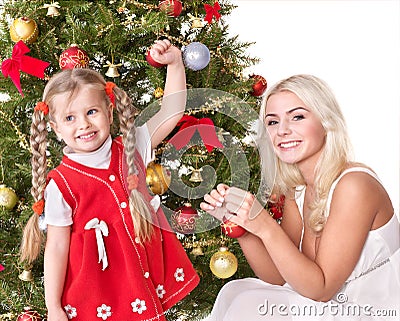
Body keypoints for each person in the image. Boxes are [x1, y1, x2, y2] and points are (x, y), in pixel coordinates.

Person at [20, 39, 199, 321]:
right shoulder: (61, 184)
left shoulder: (132, 146)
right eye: (70, 118)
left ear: (109, 110)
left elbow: (171, 112)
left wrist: (175, 64)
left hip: (143, 276)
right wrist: (53, 306)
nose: (84, 125)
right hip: (98, 294)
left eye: (91, 112)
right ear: (54, 128)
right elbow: (56, 247)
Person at [201, 74, 400, 320]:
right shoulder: (299, 189)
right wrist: (239, 224)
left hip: (368, 310)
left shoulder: (355, 185)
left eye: (297, 117)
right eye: (272, 122)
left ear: (326, 122)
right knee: (235, 293)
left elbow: (322, 289)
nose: (282, 131)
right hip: (328, 306)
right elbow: (278, 276)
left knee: (249, 304)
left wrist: (264, 225)